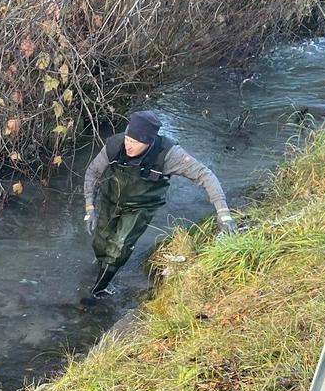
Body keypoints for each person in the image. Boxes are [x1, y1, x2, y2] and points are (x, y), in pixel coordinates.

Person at [82, 110, 237, 304]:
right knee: (100, 243)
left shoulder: (169, 154)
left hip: (141, 207)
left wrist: (223, 213)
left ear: (149, 142)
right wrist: (90, 208)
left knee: (119, 248)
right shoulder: (115, 145)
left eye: (135, 143)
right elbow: (93, 173)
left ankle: (98, 291)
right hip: (111, 200)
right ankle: (103, 267)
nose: (128, 145)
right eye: (128, 139)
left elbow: (205, 176)